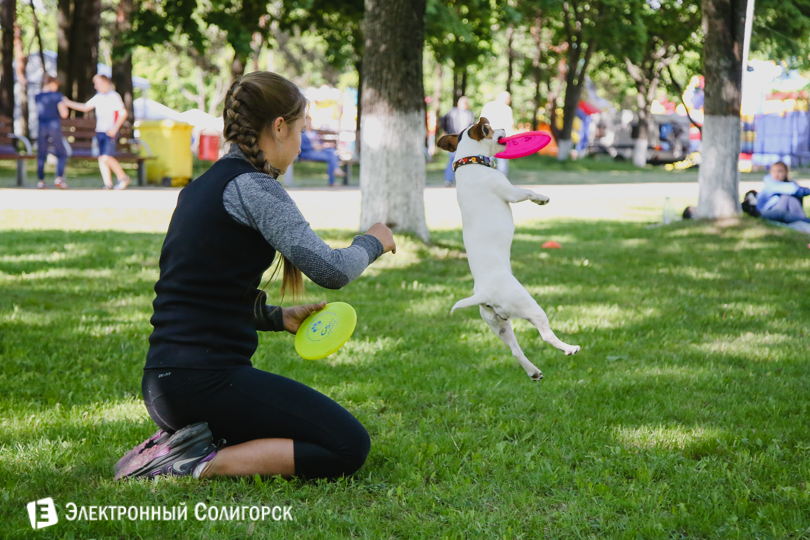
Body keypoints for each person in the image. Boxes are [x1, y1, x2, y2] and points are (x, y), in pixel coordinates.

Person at [114, 71, 397, 482]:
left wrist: (276, 317)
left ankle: (185, 441)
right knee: (346, 445)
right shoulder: (252, 187)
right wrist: (373, 241)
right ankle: (193, 462)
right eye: (301, 130)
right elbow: (331, 270)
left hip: (167, 384)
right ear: (279, 127)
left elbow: (202, 289)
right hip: (202, 382)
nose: (302, 146)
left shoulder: (202, 186)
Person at [63, 74, 131, 190]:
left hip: (110, 131)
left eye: (97, 84)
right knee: (101, 158)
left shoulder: (114, 96)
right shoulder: (99, 97)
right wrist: (68, 103)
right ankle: (107, 183)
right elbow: (85, 107)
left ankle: (123, 177)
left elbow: (123, 113)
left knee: (106, 157)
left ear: (105, 83)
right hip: (100, 131)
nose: (95, 86)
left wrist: (115, 128)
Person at [34, 75, 69, 189]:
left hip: (41, 126)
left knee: (41, 154)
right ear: (52, 83)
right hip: (54, 126)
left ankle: (41, 180)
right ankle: (59, 178)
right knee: (61, 153)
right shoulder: (57, 96)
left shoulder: (38, 96)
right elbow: (64, 113)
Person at [299, 116, 346, 186]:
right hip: (308, 152)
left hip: (319, 151)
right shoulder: (302, 133)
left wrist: (320, 145)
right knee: (331, 157)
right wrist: (312, 146)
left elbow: (320, 142)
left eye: (310, 121)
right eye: (307, 121)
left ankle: (336, 171)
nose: (309, 123)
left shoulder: (314, 132)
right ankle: (333, 179)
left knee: (332, 151)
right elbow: (301, 146)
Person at [440, 96, 475, 187]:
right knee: (458, 160)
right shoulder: (454, 112)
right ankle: (453, 180)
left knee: (457, 160)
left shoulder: (455, 112)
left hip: (459, 139)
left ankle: (451, 180)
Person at [480, 91, 514, 177]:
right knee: (502, 160)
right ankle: (501, 181)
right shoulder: (507, 109)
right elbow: (509, 125)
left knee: (487, 159)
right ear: (507, 99)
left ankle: (485, 180)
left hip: (488, 137)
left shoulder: (488, 106)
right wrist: (510, 141)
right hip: (501, 139)